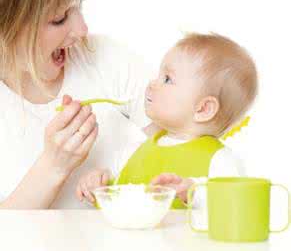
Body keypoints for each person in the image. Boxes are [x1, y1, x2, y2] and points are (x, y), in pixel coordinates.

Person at [0, 0, 153, 209]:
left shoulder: (105, 58)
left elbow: (181, 146)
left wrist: (121, 187)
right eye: (59, 19)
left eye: (78, 5)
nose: (82, 30)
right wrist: (54, 166)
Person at [76, 32, 258, 210]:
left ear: (203, 109)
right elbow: (117, 198)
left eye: (167, 79)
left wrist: (192, 192)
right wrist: (98, 185)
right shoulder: (133, 152)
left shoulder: (220, 160)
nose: (151, 83)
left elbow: (234, 203)